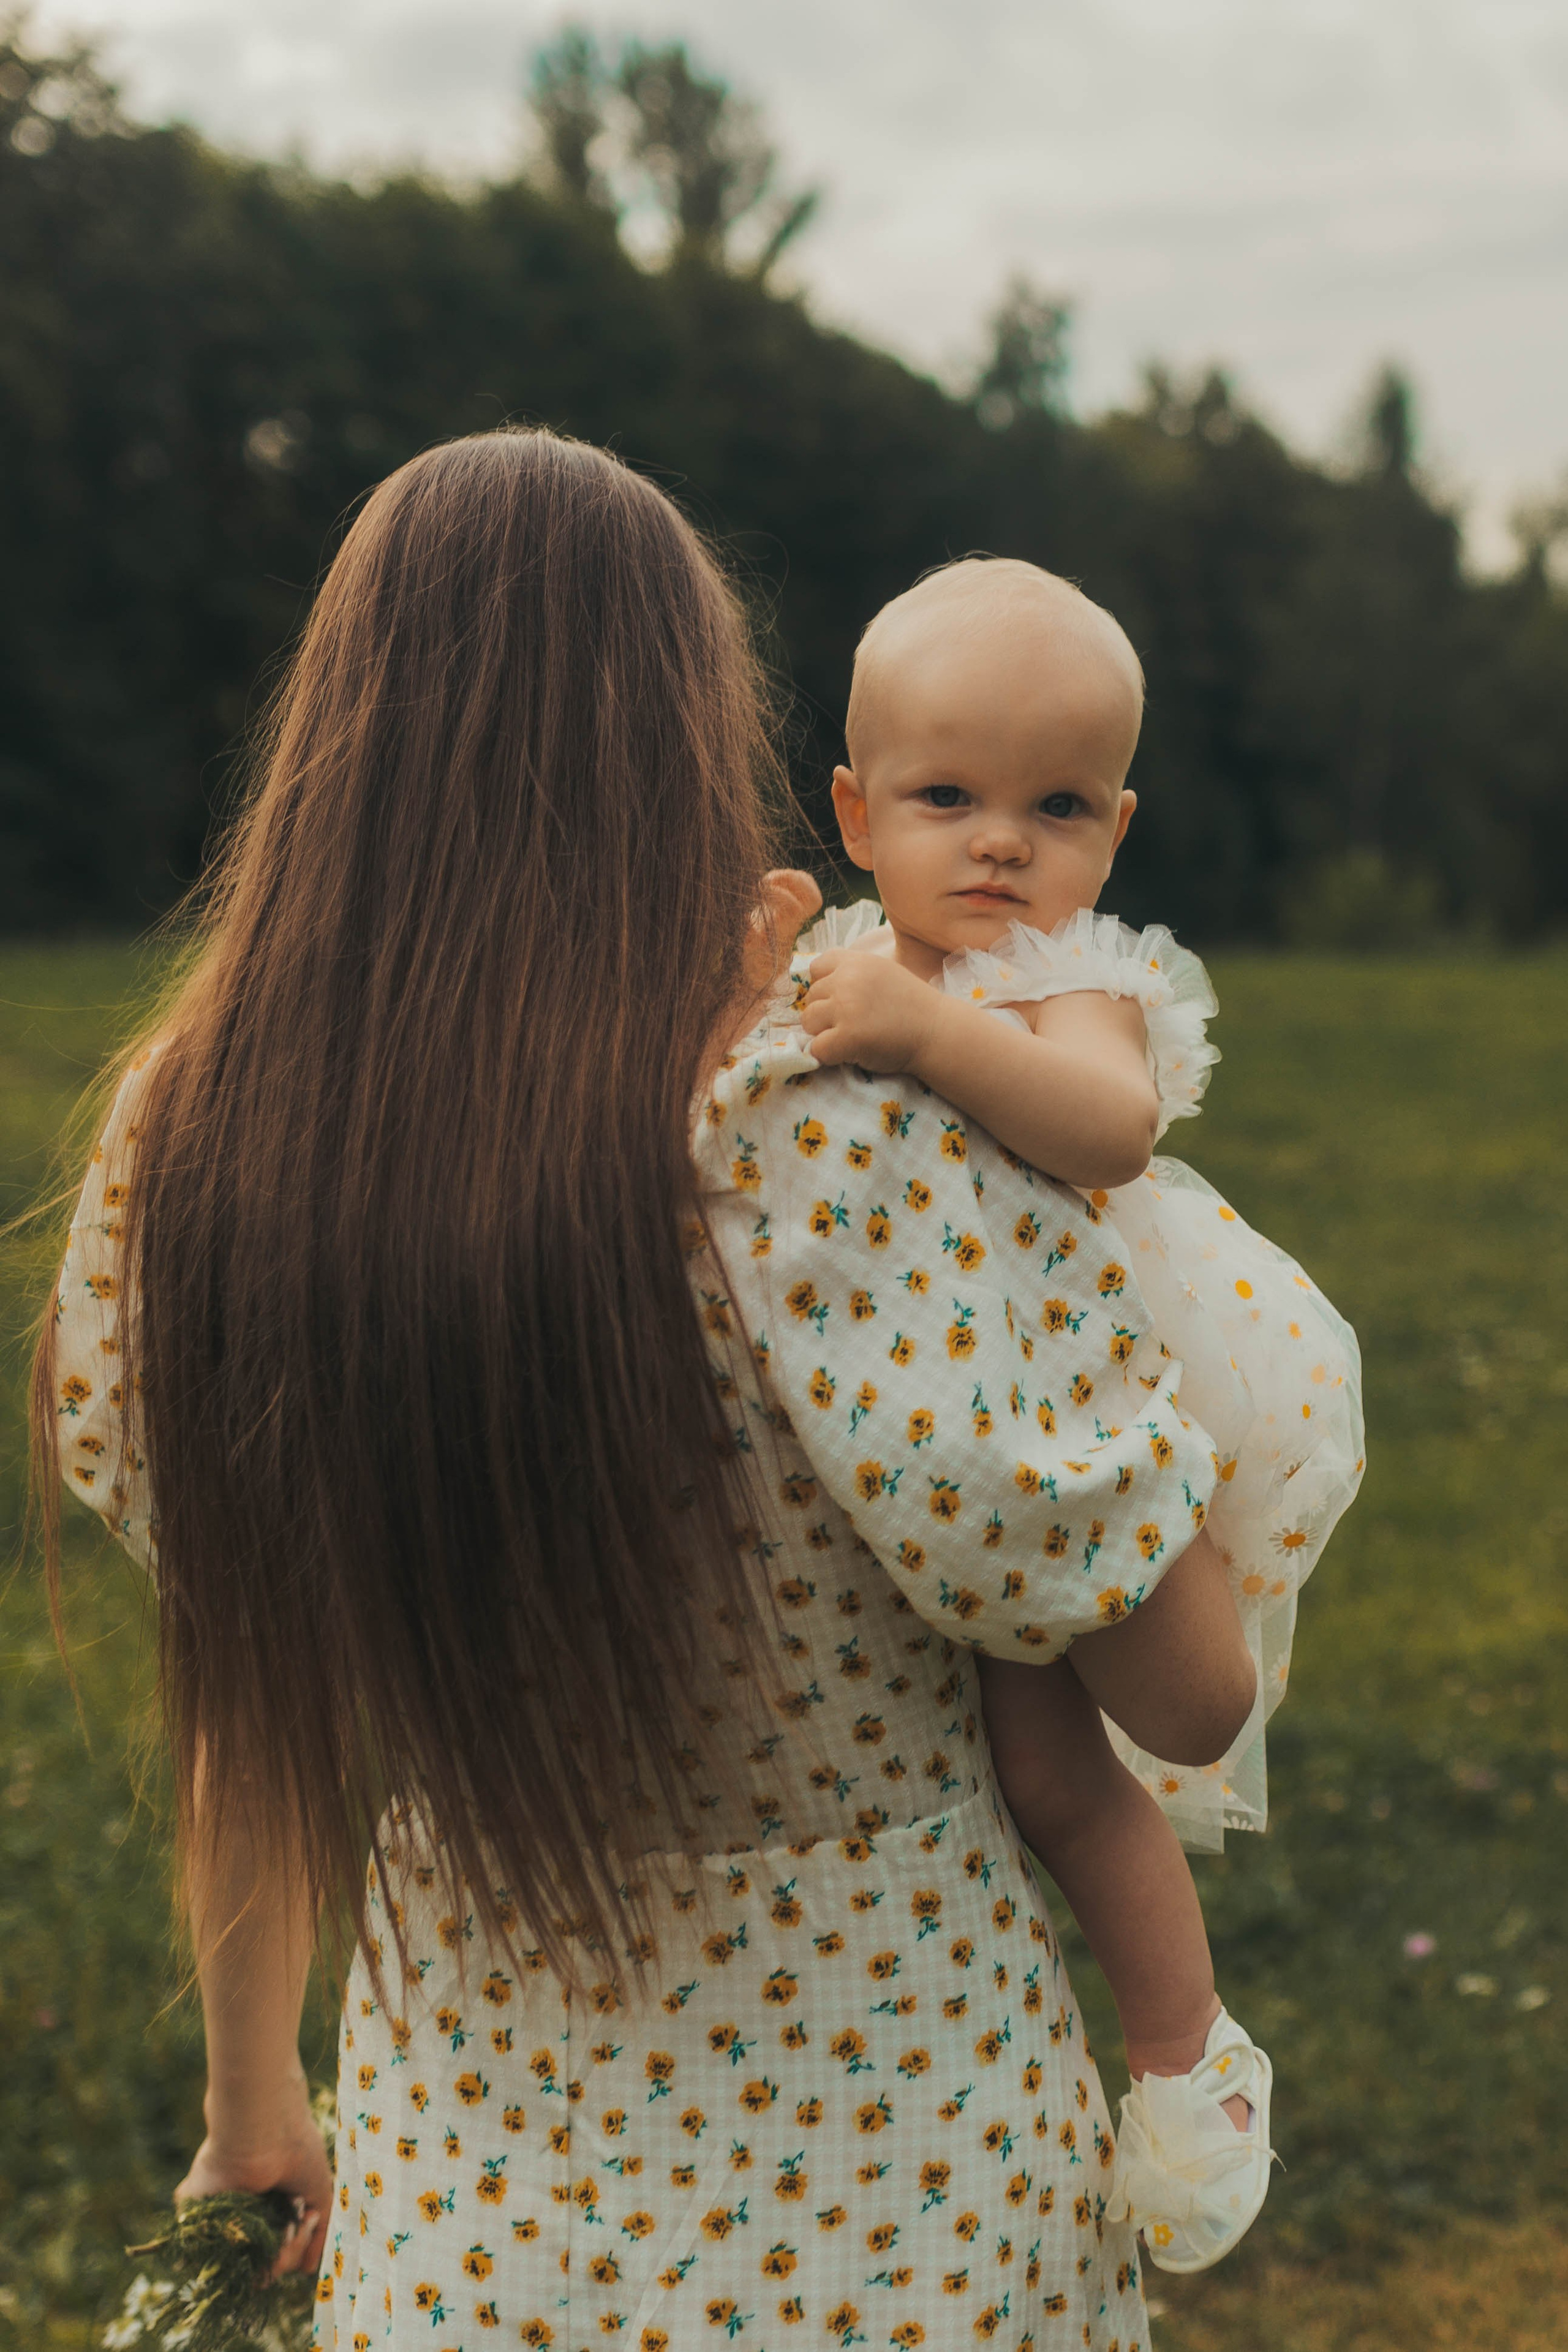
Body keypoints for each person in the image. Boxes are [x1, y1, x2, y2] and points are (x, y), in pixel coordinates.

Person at [39, 432, 1257, 2350]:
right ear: (694, 733)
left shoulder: (190, 1152)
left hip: (472, 2219)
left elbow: (254, 1685)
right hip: (900, 2191)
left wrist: (253, 2103)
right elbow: (1189, 1691)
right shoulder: (835, 1138)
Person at [755, 555, 1363, 2272]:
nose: (1003, 845)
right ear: (859, 814)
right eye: (950, 798)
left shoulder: (1066, 978)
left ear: (1116, 828)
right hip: (939, 1420)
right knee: (1004, 1763)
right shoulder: (853, 955)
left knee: (1076, 1757)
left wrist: (934, 1042)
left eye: (1059, 805)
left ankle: (1184, 2051)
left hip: (1089, 1406)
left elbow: (1104, 1126)